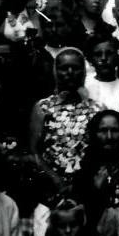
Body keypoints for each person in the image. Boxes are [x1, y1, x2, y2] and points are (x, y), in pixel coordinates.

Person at [29, 48, 101, 188]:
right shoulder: (43, 108)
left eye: (75, 68)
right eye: (64, 68)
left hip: (87, 185)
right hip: (51, 185)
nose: (70, 72)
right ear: (55, 72)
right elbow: (34, 151)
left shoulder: (96, 109)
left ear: (84, 72)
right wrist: (54, 178)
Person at [84, 35, 119, 112]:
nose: (103, 58)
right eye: (98, 54)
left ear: (117, 56)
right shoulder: (85, 85)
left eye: (109, 53)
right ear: (90, 59)